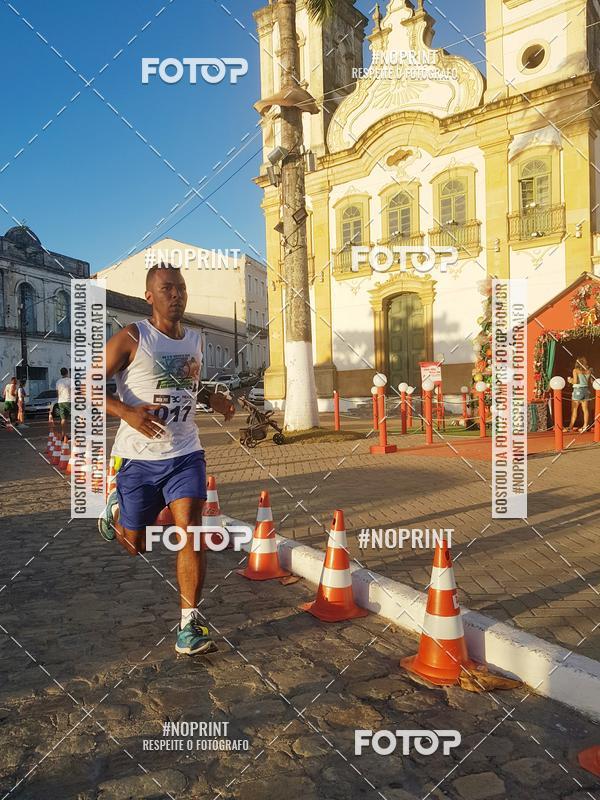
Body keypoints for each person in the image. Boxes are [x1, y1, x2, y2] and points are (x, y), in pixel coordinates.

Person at [98, 263, 235, 657]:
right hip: (137, 459)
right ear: (150, 297)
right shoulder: (131, 337)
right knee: (134, 544)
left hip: (185, 453)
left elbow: (187, 382)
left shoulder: (196, 339)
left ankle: (189, 625)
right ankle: (117, 512)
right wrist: (127, 412)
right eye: (167, 289)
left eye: (181, 288)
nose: (176, 295)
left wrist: (212, 398)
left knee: (190, 527)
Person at [566, 356, 592, 432]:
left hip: (578, 390)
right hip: (586, 390)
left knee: (574, 409)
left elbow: (575, 381)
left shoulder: (575, 370)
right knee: (585, 409)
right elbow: (591, 381)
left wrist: (569, 380)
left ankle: (570, 427)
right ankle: (585, 426)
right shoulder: (589, 370)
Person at [54, 367, 72, 442]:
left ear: (61, 373)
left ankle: (64, 435)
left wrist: (58, 400)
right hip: (69, 400)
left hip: (61, 401)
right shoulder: (70, 380)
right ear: (67, 372)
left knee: (63, 418)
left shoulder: (58, 382)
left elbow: (57, 393)